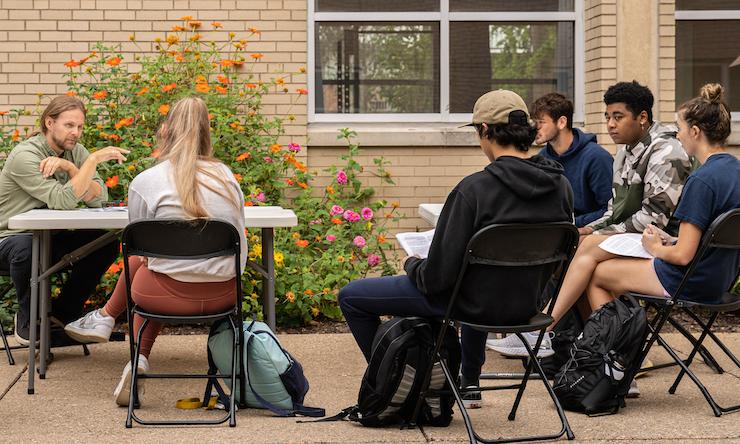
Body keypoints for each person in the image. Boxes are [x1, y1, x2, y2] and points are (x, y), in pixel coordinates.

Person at [338, 90, 574, 409]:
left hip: (470, 305)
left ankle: (395, 382)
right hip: (528, 306)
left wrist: (412, 263)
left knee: (352, 296)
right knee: (481, 275)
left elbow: (437, 278)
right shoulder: (561, 186)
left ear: (486, 131)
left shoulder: (474, 190)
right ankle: (467, 382)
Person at [63, 97, 247, 406]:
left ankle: (130, 351)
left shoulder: (146, 182)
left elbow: (141, 248)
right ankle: (110, 326)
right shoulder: (227, 179)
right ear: (207, 133)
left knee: (144, 264)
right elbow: (240, 244)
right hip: (225, 295)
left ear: (164, 133)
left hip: (163, 296)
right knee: (158, 266)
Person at [489, 81, 692, 359]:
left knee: (585, 251)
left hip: (665, 244)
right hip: (637, 238)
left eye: (618, 117)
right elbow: (613, 210)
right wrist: (586, 229)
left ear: (642, 117)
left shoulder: (666, 152)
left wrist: (598, 235)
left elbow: (653, 219)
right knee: (574, 247)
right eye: (608, 117)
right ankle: (600, 350)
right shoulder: (625, 152)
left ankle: (545, 329)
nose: (610, 124)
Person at [0, 96, 126, 345]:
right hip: (9, 240)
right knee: (29, 248)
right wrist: (90, 163)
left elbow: (99, 199)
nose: (76, 133)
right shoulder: (25, 155)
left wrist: (71, 167)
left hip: (50, 236)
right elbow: (62, 200)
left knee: (104, 242)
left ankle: (61, 316)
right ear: (49, 122)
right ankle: (29, 320)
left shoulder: (75, 152)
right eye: (69, 125)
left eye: (79, 127)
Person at [531, 93, 613, 228]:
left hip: (590, 233)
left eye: (541, 122)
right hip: (550, 233)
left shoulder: (597, 158)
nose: (535, 127)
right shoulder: (541, 159)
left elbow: (610, 210)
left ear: (562, 122)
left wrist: (570, 224)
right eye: (534, 122)